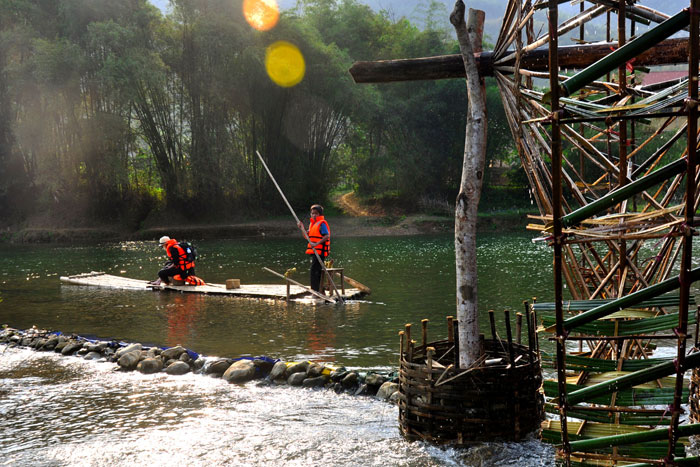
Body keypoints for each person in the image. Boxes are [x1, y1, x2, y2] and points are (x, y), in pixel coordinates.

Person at [297, 204, 330, 293]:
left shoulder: (322, 224)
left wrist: (316, 244)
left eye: (316, 214)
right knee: (315, 270)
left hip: (320, 252)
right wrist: (302, 228)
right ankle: (317, 289)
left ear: (320, 215)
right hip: (315, 252)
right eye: (312, 213)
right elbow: (307, 236)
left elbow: (326, 236)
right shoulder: (312, 224)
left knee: (315, 270)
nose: (314, 215)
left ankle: (316, 290)